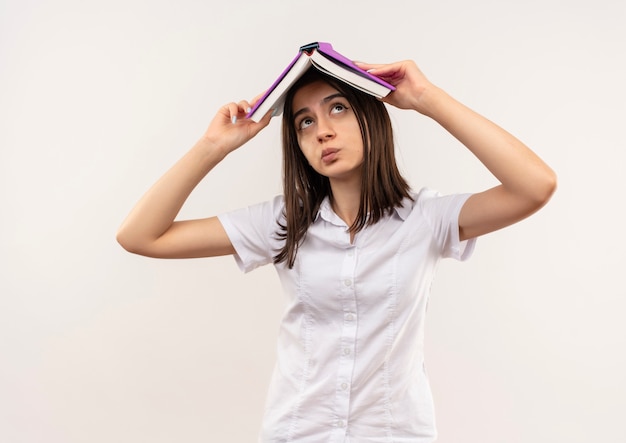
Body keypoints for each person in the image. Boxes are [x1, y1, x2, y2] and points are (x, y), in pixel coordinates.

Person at [117, 58, 556, 442]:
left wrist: (427, 97)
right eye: (305, 122)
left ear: (371, 117)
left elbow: (535, 186)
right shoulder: (283, 223)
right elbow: (140, 236)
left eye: (339, 109)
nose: (322, 131)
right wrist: (212, 147)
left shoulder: (426, 219)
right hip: (296, 432)